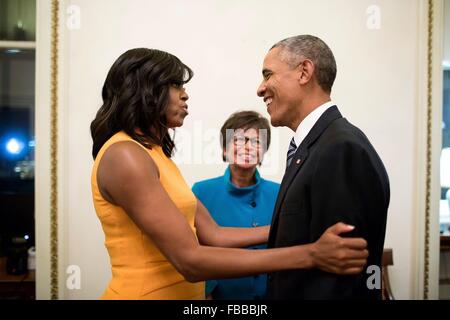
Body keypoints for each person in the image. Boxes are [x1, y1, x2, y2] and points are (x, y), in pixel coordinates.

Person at [90, 47, 369, 300]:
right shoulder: (124, 156)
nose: (185, 94)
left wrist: (296, 232)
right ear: (143, 90)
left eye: (255, 141)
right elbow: (191, 261)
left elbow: (216, 235)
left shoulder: (154, 155)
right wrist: (311, 254)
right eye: (174, 85)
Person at [256, 35, 390, 300]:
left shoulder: (339, 149)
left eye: (268, 75)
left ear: (304, 72)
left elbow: (339, 279)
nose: (260, 89)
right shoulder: (315, 146)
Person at [192, 111, 279, 300]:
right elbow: (192, 251)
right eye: (239, 140)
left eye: (257, 142)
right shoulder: (201, 192)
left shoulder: (281, 193)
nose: (248, 147)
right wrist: (208, 292)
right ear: (224, 149)